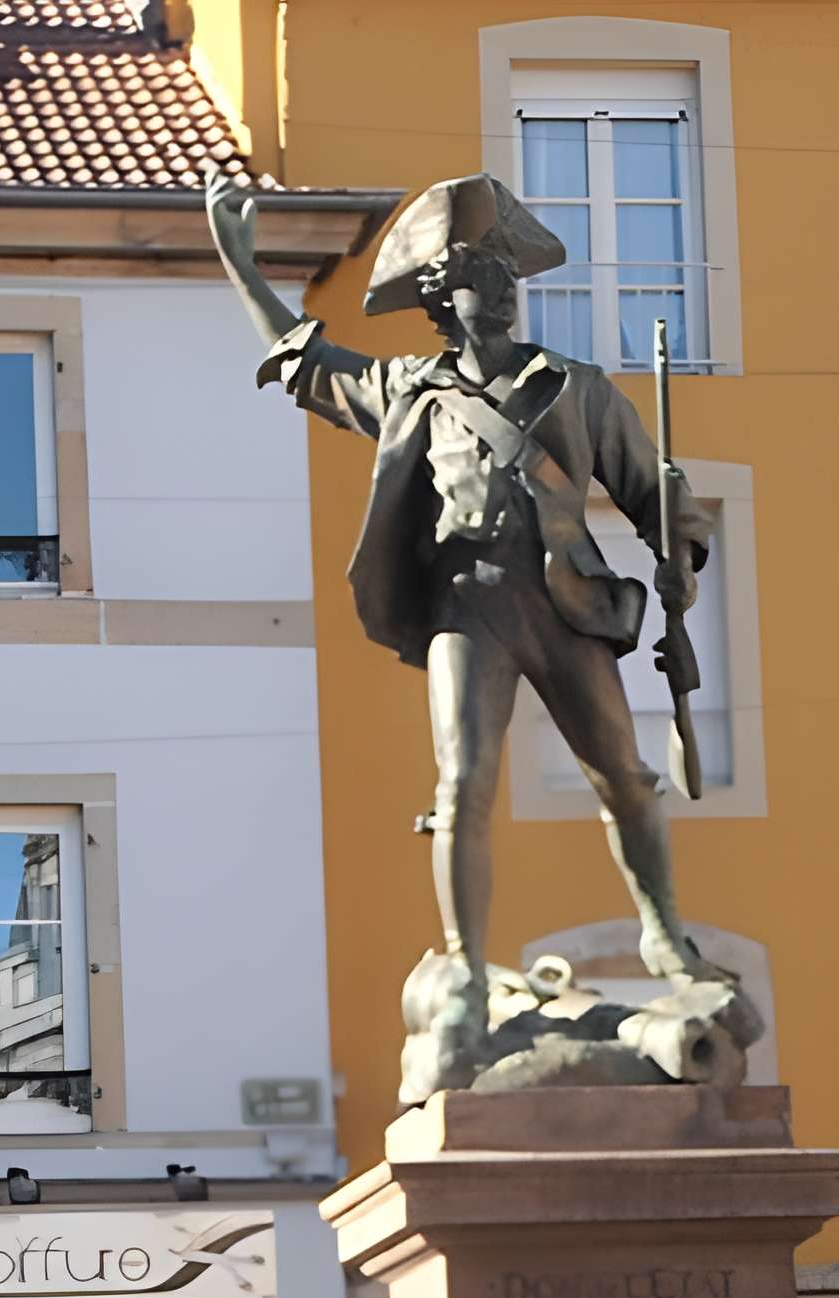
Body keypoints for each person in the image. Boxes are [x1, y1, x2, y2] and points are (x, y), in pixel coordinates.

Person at [205, 169, 727, 1091]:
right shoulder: (410, 391)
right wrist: (244, 268)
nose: (502, 283)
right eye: (483, 271)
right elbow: (304, 362)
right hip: (466, 604)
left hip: (565, 600)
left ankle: (664, 933)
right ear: (447, 297)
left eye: (504, 269)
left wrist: (679, 557)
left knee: (628, 780)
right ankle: (466, 973)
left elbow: (657, 493)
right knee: (462, 785)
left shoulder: (576, 387)